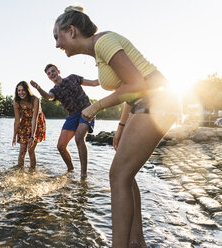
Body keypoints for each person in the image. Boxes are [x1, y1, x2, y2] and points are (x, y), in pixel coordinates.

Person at [52, 6, 179, 247]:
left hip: (158, 101)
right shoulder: (99, 51)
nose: (57, 44)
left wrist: (94, 107)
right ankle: (136, 241)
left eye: (57, 37)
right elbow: (128, 90)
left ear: (72, 31)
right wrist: (121, 127)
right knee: (126, 175)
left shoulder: (104, 42)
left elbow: (137, 85)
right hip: (145, 103)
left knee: (117, 175)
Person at [30, 64, 98, 179]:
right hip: (72, 116)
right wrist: (38, 88)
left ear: (58, 71)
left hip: (86, 110)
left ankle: (83, 175)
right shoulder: (55, 90)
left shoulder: (72, 78)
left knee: (79, 138)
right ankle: (70, 170)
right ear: (48, 77)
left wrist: (109, 78)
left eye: (53, 71)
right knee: (61, 146)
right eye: (49, 73)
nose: (52, 74)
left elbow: (93, 83)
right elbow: (48, 97)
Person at [12, 81, 46, 169]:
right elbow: (17, 121)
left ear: (27, 90)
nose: (21, 93)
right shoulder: (16, 101)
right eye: (19, 90)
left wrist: (32, 136)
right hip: (24, 122)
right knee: (22, 150)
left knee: (31, 150)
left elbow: (34, 118)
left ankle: (32, 172)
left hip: (37, 123)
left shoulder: (35, 99)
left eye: (23, 90)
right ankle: (20, 171)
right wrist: (14, 136)